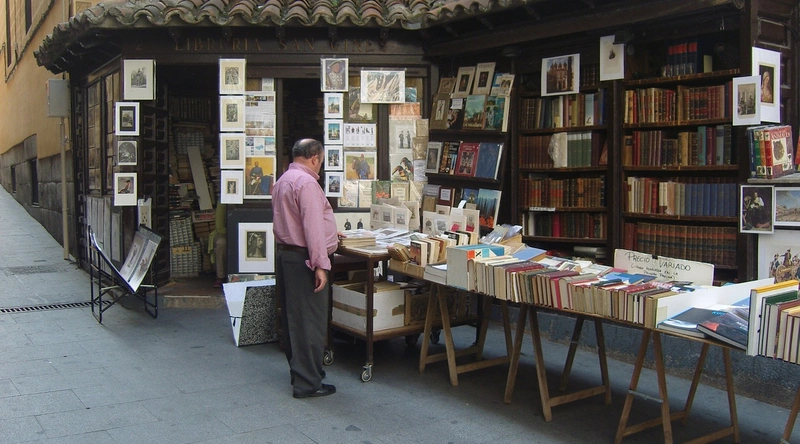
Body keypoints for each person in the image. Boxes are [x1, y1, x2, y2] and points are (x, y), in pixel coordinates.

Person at [272, 138, 338, 399]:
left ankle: (300, 373)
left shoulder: (283, 180)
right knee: (310, 322)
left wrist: (331, 234)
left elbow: (298, 222)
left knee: (294, 320)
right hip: (304, 259)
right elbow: (311, 225)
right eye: (320, 161)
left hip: (287, 256)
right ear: (315, 158)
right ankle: (308, 383)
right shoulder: (307, 182)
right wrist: (320, 264)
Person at [210, 204, 227, 288]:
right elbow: (220, 227)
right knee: (221, 243)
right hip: (225, 232)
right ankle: (221, 276)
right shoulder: (222, 202)